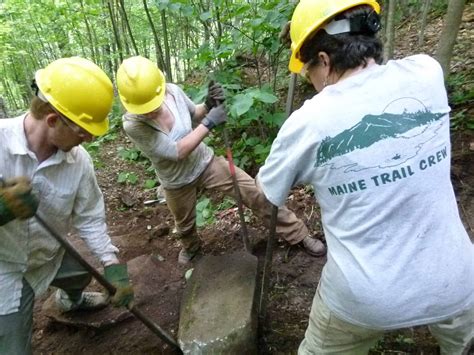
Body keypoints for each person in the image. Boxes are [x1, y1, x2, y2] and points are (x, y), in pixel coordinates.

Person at [257, 0, 474, 354]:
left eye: (309, 72)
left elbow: (268, 192)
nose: (312, 83)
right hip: (456, 280)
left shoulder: (308, 122)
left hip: (365, 298)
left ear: (324, 62)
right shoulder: (426, 72)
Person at [116, 56, 326, 264]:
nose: (151, 111)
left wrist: (207, 105)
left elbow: (194, 114)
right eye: (144, 109)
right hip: (175, 181)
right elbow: (177, 151)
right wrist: (210, 122)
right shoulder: (133, 125)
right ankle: (192, 249)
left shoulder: (173, 92)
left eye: (153, 104)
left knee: (254, 193)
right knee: (185, 225)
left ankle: (298, 234)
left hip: (204, 162)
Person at [0, 57, 134, 355]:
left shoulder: (78, 162)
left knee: (81, 270)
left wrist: (112, 265)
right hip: (5, 268)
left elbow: (89, 218)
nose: (88, 138)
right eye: (82, 130)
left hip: (50, 254)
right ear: (52, 119)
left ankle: (69, 300)